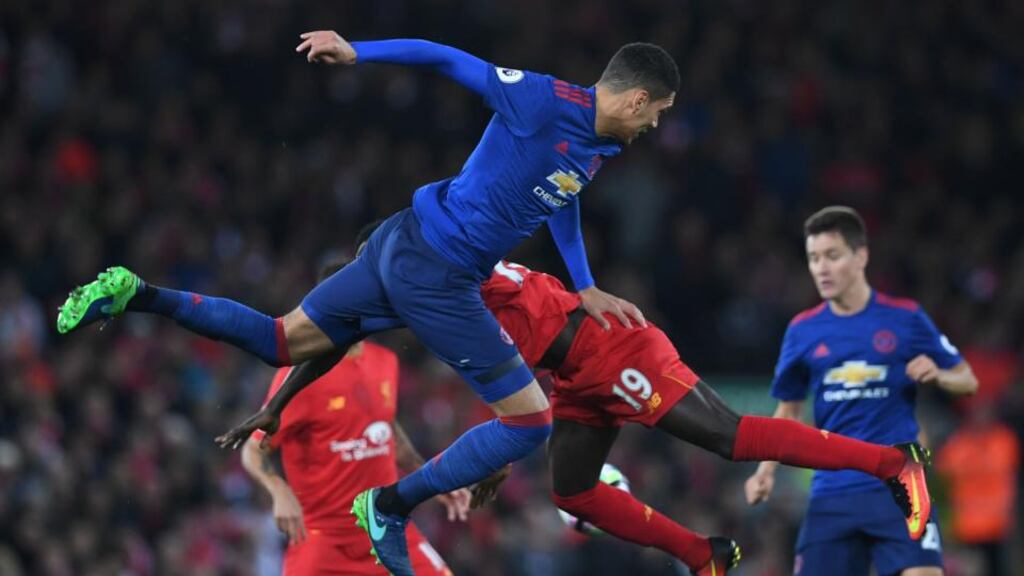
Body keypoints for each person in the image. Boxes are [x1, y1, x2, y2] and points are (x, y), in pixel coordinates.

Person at [56, 30, 679, 575]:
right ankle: (390, 506)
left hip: (397, 241)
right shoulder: (543, 98)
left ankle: (139, 293)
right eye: (657, 114)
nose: (654, 127)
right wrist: (358, 51)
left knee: (280, 339)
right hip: (441, 272)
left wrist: (584, 281)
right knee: (531, 421)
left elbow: (560, 192)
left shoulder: (598, 144)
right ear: (636, 98)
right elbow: (445, 58)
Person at [219, 222, 935, 576]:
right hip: (570, 379)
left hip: (607, 348)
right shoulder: (414, 299)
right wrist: (276, 407)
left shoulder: (441, 274)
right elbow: (334, 339)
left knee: (730, 435)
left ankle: (890, 464)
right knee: (575, 492)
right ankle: (705, 556)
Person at [744, 206, 978, 576]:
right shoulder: (802, 330)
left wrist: (939, 376)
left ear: (861, 256)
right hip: (832, 493)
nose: (821, 268)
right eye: (813, 258)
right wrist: (766, 471)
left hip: (901, 488)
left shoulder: (905, 318)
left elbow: (968, 380)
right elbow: (788, 411)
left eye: (832, 256)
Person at [241, 262, 468, 576]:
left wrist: (432, 479)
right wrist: (280, 491)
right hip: (324, 543)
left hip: (387, 532)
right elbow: (252, 450)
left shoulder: (385, 361)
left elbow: (383, 427)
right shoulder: (299, 378)